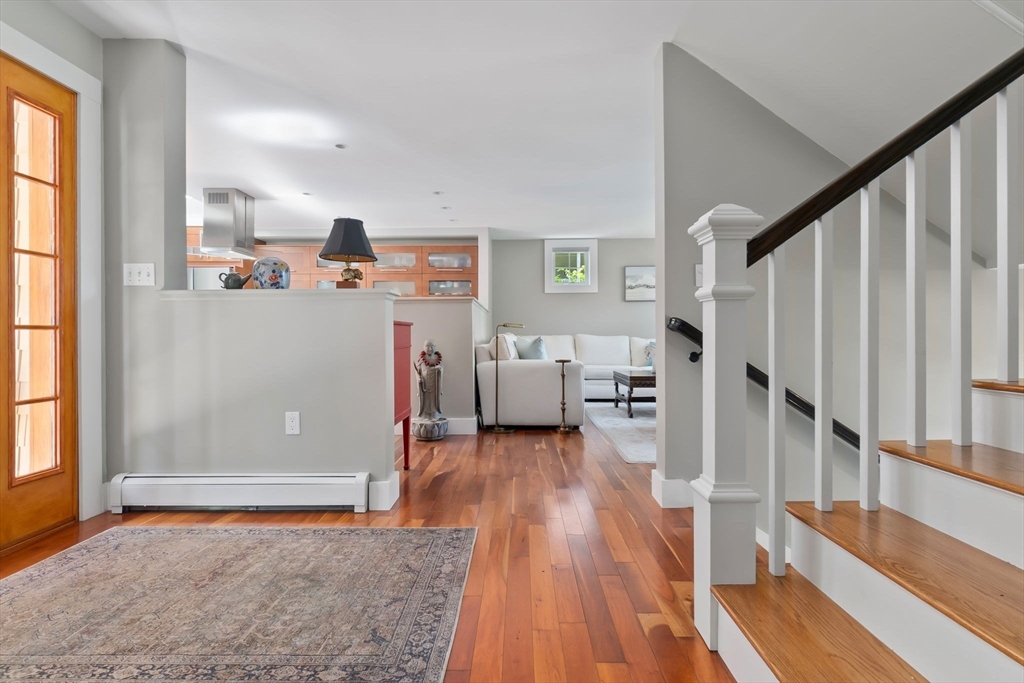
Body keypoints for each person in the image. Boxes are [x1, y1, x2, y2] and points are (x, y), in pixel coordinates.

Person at [415, 339, 443, 421]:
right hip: (424, 385)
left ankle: (434, 415)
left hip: (435, 385)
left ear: (435, 348)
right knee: (426, 400)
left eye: (432, 346)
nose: (430, 349)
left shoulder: (438, 360)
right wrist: (419, 378)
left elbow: (441, 369)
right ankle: (425, 415)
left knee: (433, 400)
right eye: (427, 346)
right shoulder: (421, 360)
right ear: (424, 347)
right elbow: (417, 372)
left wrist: (439, 371)